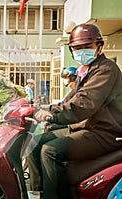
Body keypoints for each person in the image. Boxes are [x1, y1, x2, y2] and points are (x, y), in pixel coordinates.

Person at [26, 23, 122, 199]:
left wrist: (51, 114)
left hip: (105, 132)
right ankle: (36, 194)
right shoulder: (86, 72)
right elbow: (69, 100)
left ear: (99, 46)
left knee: (50, 151)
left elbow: (83, 104)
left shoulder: (106, 70)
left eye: (87, 46)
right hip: (86, 126)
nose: (82, 51)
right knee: (33, 144)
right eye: (78, 48)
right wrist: (38, 108)